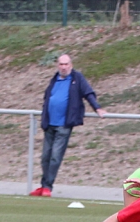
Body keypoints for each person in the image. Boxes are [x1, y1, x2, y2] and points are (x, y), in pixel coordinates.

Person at [30, 54, 105, 197]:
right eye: (61, 64)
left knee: (55, 157)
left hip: (64, 125)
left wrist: (97, 108)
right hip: (49, 124)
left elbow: (88, 93)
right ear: (57, 65)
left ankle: (48, 187)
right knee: (45, 157)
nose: (63, 67)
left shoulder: (77, 78)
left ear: (71, 65)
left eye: (66, 64)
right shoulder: (54, 79)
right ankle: (43, 185)